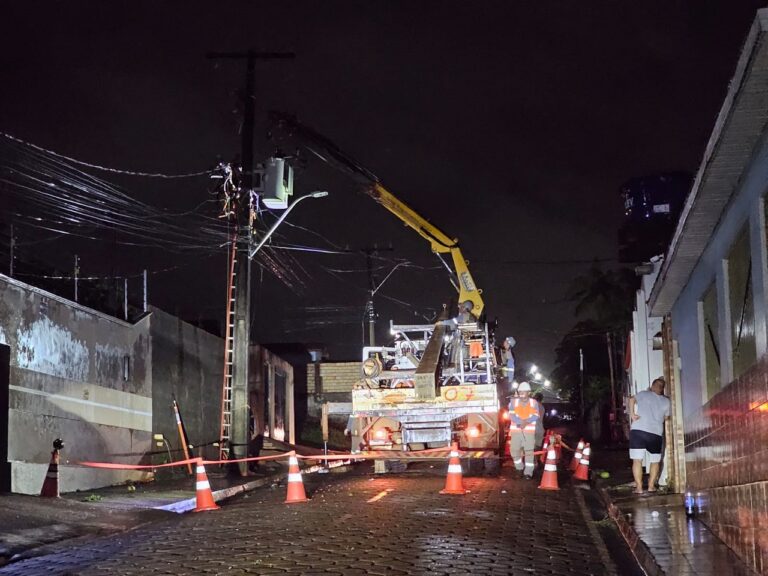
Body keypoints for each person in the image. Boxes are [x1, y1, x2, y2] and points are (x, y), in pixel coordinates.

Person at [628, 377, 670, 494]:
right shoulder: (667, 402)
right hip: (655, 434)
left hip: (638, 431)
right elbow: (666, 418)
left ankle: (639, 488)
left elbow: (631, 399)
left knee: (637, 461)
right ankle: (651, 486)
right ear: (662, 389)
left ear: (652, 386)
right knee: (655, 461)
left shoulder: (644, 394)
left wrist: (632, 414)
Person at [508, 382, 540, 479]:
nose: (521, 393)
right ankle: (519, 468)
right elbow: (511, 415)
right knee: (514, 451)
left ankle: (528, 473)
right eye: (520, 391)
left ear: (528, 392)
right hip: (516, 432)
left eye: (524, 391)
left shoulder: (534, 403)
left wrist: (526, 422)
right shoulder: (513, 402)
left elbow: (536, 415)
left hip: (529, 433)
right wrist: (520, 423)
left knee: (529, 452)